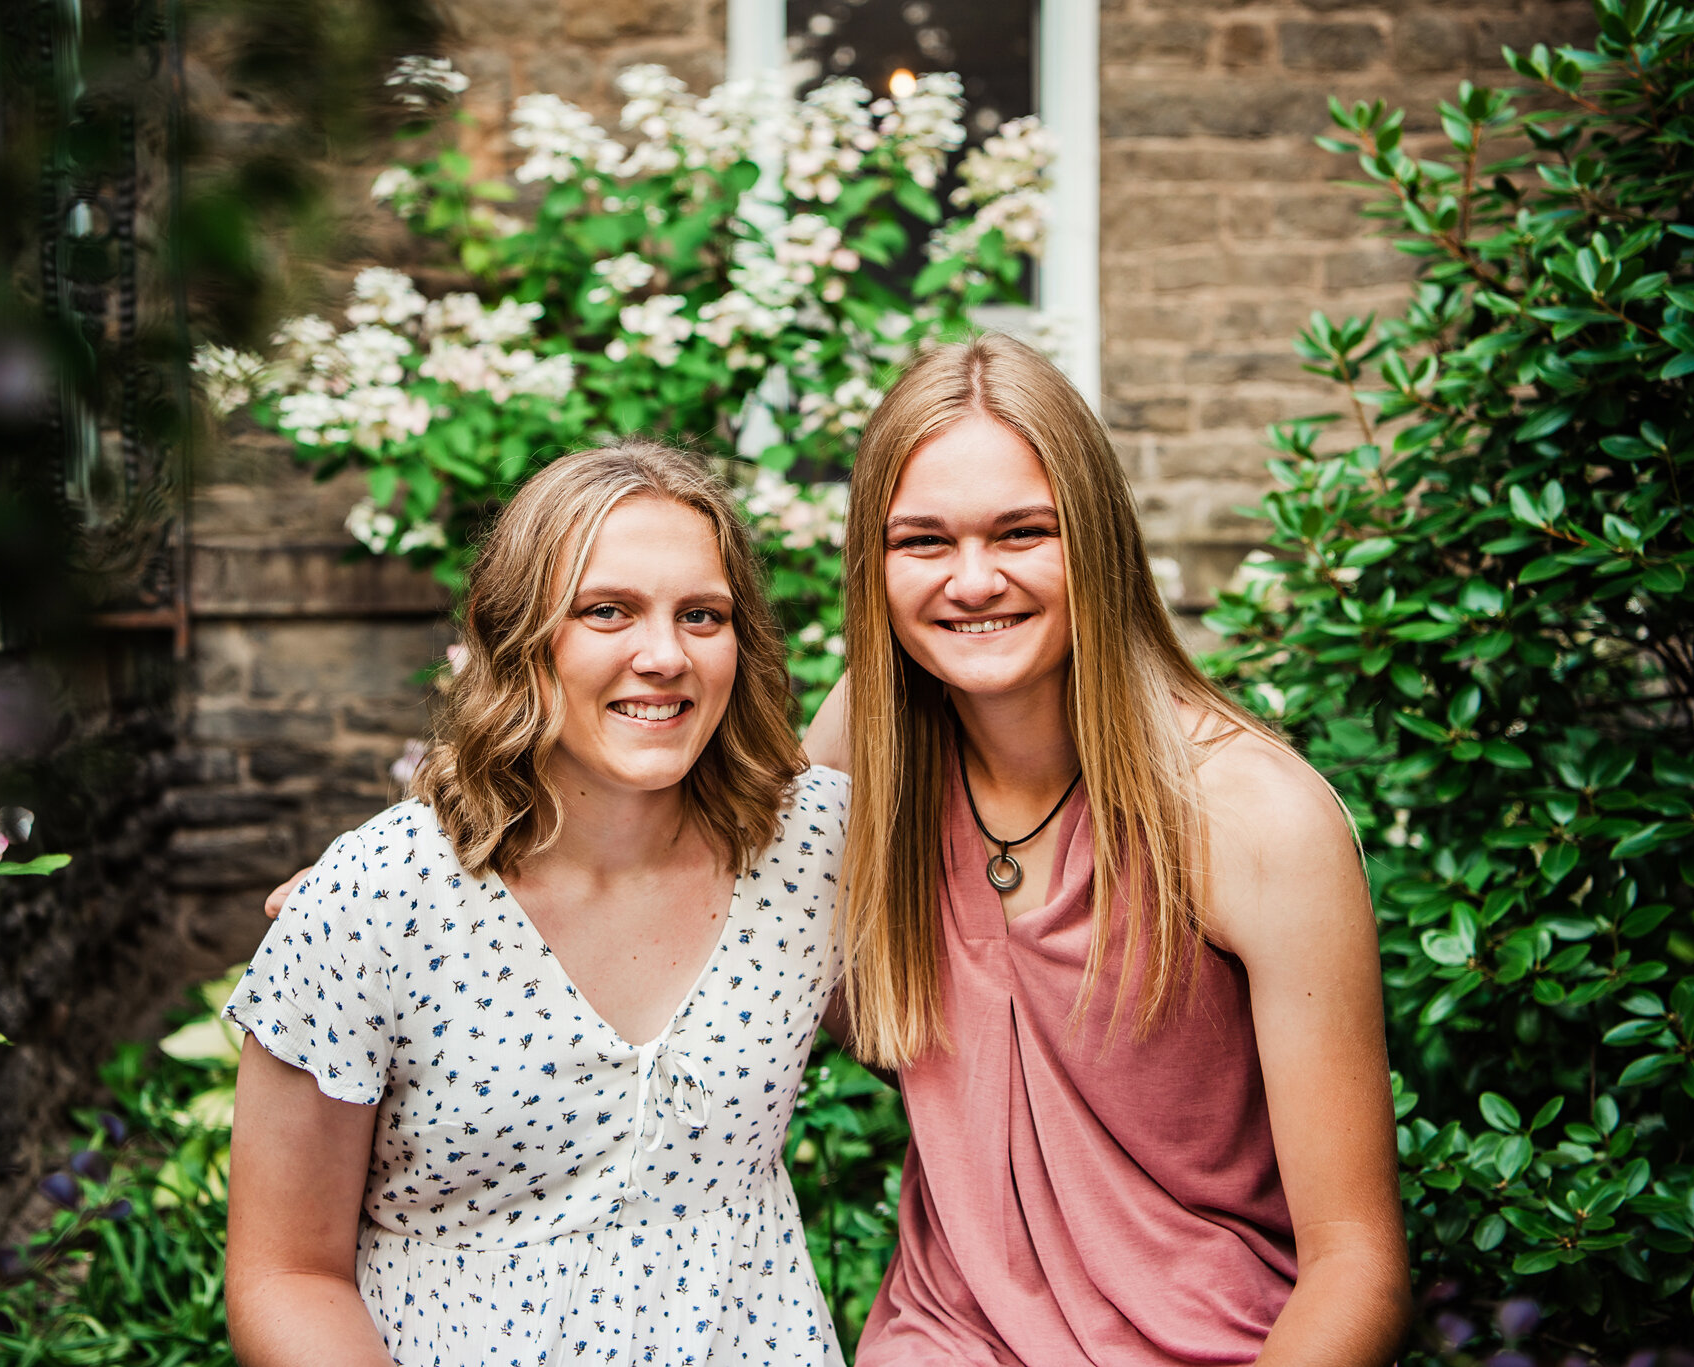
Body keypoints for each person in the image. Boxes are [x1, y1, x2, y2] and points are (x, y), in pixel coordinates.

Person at [799, 331, 1410, 1365]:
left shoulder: (1250, 815)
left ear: (1095, 536)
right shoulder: (868, 747)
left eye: (1021, 531)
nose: (972, 579)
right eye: (923, 541)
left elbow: (1357, 1262)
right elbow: (705, 1001)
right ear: (874, 562)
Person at [223, 440, 851, 1366]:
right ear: (519, 634)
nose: (666, 654)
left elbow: (925, 645)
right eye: (608, 610)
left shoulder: (807, 852)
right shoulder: (379, 898)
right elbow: (285, 1275)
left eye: (703, 615)